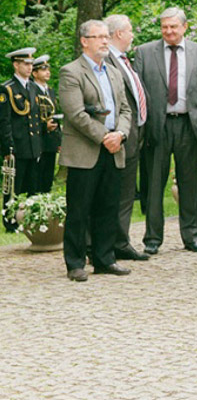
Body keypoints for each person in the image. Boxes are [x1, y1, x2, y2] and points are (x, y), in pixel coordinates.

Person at [134, 8, 197, 254]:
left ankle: (192, 236)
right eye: (164, 27)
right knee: (154, 184)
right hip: (157, 126)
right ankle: (152, 239)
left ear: (185, 27)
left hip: (190, 126)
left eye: (173, 27)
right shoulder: (144, 52)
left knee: (190, 184)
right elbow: (138, 93)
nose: (169, 31)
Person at [59, 20, 133, 282]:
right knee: (79, 208)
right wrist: (105, 137)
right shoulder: (71, 72)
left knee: (108, 207)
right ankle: (75, 263)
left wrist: (121, 135)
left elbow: (126, 109)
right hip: (85, 150)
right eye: (98, 37)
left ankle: (104, 259)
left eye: (106, 36)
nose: (105, 41)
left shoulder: (113, 72)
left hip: (114, 148)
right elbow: (76, 114)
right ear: (84, 41)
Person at [103, 14, 150, 261]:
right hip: (117, 135)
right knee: (111, 191)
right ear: (119, 33)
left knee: (126, 193)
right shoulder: (107, 61)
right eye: (130, 30)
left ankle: (121, 241)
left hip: (134, 135)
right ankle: (103, 245)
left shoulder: (124, 60)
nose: (133, 35)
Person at [1, 47, 43, 205]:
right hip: (18, 145)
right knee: (14, 187)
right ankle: (10, 221)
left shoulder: (32, 87)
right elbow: (4, 121)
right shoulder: (8, 88)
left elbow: (35, 116)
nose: (30, 67)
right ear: (16, 65)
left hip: (32, 145)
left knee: (33, 187)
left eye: (31, 63)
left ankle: (28, 220)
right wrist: (8, 147)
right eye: (25, 63)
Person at [30, 55, 60, 193]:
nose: (47, 72)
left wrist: (58, 139)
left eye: (48, 69)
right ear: (34, 73)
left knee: (48, 177)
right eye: (43, 69)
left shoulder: (50, 91)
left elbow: (55, 114)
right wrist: (43, 127)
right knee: (37, 177)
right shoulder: (32, 90)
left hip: (50, 141)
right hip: (38, 139)